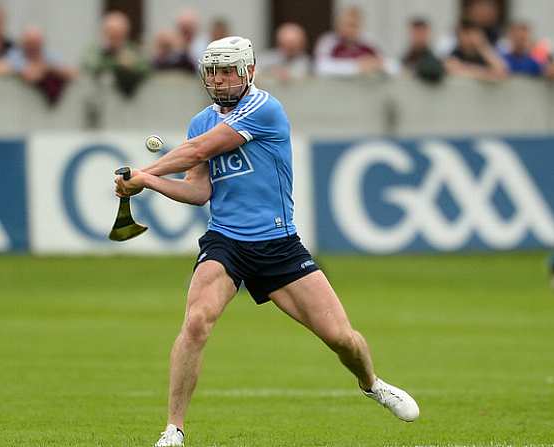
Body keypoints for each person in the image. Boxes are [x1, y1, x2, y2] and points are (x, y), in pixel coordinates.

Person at [114, 36, 420, 447]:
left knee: (341, 339)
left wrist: (143, 173)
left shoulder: (264, 108)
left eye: (228, 71)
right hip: (226, 242)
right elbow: (199, 192)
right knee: (197, 322)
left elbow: (201, 149)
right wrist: (149, 183)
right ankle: (174, 430)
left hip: (279, 244)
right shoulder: (201, 120)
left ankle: (372, 384)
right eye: (213, 72)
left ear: (249, 72)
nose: (220, 80)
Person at [84, 11, 149, 97]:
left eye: (118, 35)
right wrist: (118, 63)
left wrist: (133, 65)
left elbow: (146, 68)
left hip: (128, 99)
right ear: (104, 32)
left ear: (125, 33)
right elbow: (90, 65)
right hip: (100, 99)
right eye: (111, 34)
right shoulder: (95, 50)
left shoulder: (134, 49)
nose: (114, 38)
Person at [7, 27, 76, 105]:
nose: (33, 47)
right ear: (23, 43)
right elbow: (31, 76)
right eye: (30, 43)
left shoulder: (47, 55)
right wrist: (46, 69)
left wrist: (48, 68)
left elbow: (72, 73)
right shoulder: (15, 55)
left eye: (36, 43)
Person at [314, 6, 386, 77]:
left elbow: (388, 65)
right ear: (338, 25)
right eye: (348, 25)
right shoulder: (328, 42)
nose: (351, 29)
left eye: (355, 25)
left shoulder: (369, 42)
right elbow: (320, 67)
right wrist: (356, 66)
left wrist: (376, 65)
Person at [401, 18, 445, 83]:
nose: (419, 37)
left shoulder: (435, 60)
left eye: (422, 33)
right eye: (416, 33)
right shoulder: (404, 60)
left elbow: (433, 71)